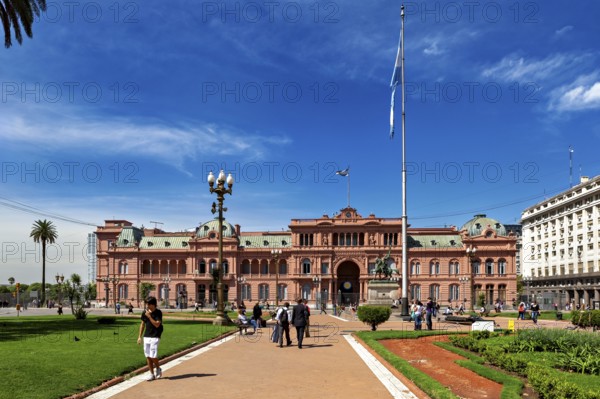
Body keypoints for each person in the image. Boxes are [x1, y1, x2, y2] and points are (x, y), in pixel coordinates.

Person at [137, 297, 163, 381]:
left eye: (148, 304)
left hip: (155, 335)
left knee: (153, 355)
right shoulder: (144, 312)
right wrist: (139, 337)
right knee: (148, 356)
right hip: (147, 336)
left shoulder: (158, 312)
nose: (147, 306)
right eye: (146, 304)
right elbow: (142, 324)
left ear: (153, 304)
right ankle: (151, 374)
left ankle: (158, 368)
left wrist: (149, 316)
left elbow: (157, 325)